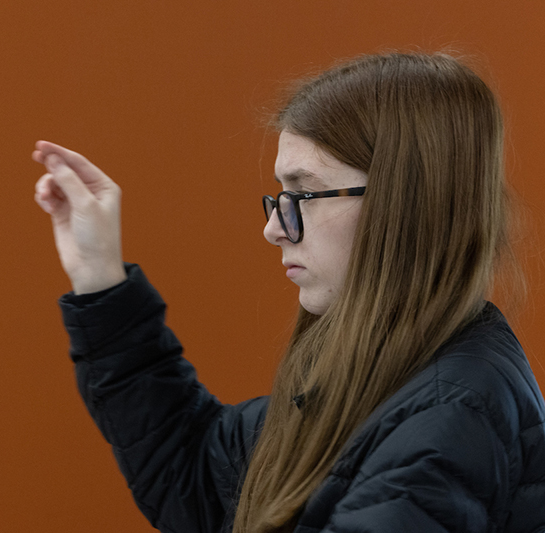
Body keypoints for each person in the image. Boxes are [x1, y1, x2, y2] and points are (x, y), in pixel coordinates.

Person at [33, 52, 545, 533]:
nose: (275, 228)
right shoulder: (387, 372)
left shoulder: (447, 418)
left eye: (303, 194)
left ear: (405, 202)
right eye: (280, 196)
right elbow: (197, 476)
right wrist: (98, 274)